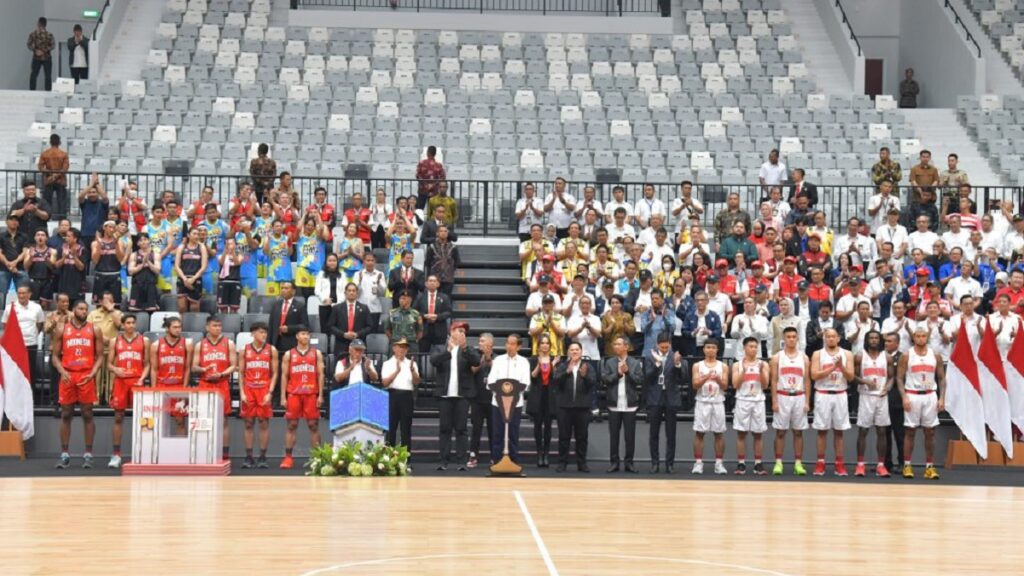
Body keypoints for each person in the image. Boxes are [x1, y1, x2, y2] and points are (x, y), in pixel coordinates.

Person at [51, 300, 103, 469]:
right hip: (68, 375)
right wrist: (62, 371)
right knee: (66, 414)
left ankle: (88, 454)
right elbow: (54, 356)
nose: (83, 311)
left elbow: (101, 356)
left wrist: (93, 372)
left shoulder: (95, 329)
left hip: (85, 375)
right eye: (80, 308)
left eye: (86, 309)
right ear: (73, 310)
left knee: (87, 414)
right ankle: (64, 454)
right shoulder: (61, 328)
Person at [897, 325, 945, 479]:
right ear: (913, 337)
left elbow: (942, 378)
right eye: (917, 336)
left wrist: (942, 397)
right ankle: (907, 465)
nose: (920, 338)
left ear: (927, 337)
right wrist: (904, 396)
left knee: (930, 432)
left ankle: (929, 467)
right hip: (912, 394)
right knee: (910, 431)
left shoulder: (935, 355)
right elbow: (899, 378)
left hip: (930, 395)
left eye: (923, 336)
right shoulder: (906, 355)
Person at [431, 321, 480, 471]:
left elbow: (476, 361)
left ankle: (461, 462)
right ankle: (443, 461)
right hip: (445, 396)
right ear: (451, 332)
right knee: (444, 429)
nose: (462, 334)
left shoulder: (468, 349)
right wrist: (448, 351)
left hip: (462, 395)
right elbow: (433, 361)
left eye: (464, 332)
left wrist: (464, 348)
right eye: (459, 331)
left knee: (461, 429)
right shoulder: (440, 347)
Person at [809, 328, 854, 476]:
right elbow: (814, 375)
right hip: (823, 394)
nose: (831, 339)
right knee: (822, 431)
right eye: (828, 336)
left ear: (838, 338)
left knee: (839, 431)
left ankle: (839, 464)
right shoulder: (817, 354)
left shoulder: (847, 354)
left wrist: (841, 366)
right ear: (824, 339)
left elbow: (851, 377)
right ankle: (820, 463)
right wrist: (833, 368)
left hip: (840, 394)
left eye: (833, 336)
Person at [106, 315, 148, 469]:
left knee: (143, 418)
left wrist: (142, 378)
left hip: (137, 380)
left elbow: (148, 364)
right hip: (121, 381)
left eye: (133, 323)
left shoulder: (144, 340)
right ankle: (116, 455)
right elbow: (109, 364)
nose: (131, 325)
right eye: (128, 323)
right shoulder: (115, 341)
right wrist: (116, 369)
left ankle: (143, 453)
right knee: (118, 417)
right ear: (122, 325)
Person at [192, 316, 237, 462]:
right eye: (214, 326)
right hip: (205, 383)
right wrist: (204, 369)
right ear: (207, 328)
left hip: (222, 383)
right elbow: (193, 366)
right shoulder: (200, 345)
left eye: (219, 325)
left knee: (223, 421)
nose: (217, 328)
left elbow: (233, 365)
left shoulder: (229, 343)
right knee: (203, 419)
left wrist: (222, 374)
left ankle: (224, 453)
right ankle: (203, 451)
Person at [279, 326, 325, 469]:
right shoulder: (289, 354)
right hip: (294, 394)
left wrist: (321, 395)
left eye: (308, 334)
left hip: (311, 393)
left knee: (313, 425)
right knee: (292, 425)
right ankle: (288, 458)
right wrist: (283, 396)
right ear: (297, 336)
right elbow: (284, 376)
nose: (306, 337)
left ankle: (317, 457)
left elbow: (320, 375)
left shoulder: (316, 353)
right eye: (303, 334)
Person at [486, 333, 531, 466]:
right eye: (507, 343)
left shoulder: (524, 362)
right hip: (498, 403)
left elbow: (525, 383)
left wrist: (512, 392)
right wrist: (501, 392)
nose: (509, 346)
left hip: (515, 403)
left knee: (513, 432)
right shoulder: (498, 360)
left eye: (512, 344)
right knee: (498, 432)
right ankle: (496, 460)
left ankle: (513, 460)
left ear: (519, 346)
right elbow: (491, 381)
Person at [771, 326, 811, 475]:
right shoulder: (777, 357)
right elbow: (774, 380)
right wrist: (774, 401)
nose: (791, 339)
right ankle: (778, 463)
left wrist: (807, 401)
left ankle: (798, 464)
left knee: (798, 432)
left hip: (799, 396)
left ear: (798, 338)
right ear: (784, 339)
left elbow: (807, 381)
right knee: (780, 432)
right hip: (783, 395)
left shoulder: (804, 357)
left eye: (794, 336)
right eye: (788, 337)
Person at [853, 330, 893, 478]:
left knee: (882, 431)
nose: (874, 340)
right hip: (865, 396)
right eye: (871, 338)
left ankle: (881, 465)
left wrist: (888, 388)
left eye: (876, 338)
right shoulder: (859, 355)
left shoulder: (886, 356)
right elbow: (853, 376)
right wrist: (864, 381)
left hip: (881, 397)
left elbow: (892, 377)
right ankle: (860, 465)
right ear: (867, 340)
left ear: (880, 340)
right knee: (863, 431)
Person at [551, 341, 595, 473]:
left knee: (582, 437)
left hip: (582, 408)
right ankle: (562, 463)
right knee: (564, 436)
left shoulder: (588, 366)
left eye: (577, 350)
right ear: (568, 352)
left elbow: (593, 383)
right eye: (572, 350)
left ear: (581, 352)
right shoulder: (563, 366)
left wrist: (584, 376)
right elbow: (556, 381)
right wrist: (566, 372)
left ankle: (582, 463)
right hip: (564, 407)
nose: (575, 352)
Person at [601, 336, 643, 473]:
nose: (615, 346)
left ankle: (629, 463)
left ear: (626, 346)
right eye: (614, 344)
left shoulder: (635, 363)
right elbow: (605, 380)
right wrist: (618, 375)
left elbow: (639, 380)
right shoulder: (609, 362)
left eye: (618, 344)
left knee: (629, 436)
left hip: (630, 405)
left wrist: (628, 372)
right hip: (614, 404)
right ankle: (614, 462)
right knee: (614, 436)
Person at [239, 322, 278, 469]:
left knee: (263, 423)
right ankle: (248, 456)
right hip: (249, 389)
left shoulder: (271, 350)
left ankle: (262, 457)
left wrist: (270, 392)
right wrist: (242, 392)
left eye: (265, 333)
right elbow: (241, 373)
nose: (264, 335)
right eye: (261, 332)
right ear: (253, 333)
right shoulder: (245, 350)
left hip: (264, 389)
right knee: (248, 423)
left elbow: (275, 373)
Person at [645, 333, 685, 474]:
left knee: (671, 434)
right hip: (655, 398)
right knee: (653, 434)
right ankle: (655, 463)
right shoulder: (650, 356)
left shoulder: (675, 356)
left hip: (670, 399)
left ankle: (670, 464)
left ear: (670, 344)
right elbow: (647, 377)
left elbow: (683, 377)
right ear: (657, 344)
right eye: (661, 347)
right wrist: (657, 364)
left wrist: (677, 364)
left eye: (666, 347)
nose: (663, 349)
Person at [733, 337, 770, 476]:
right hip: (743, 400)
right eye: (750, 346)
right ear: (744, 348)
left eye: (755, 346)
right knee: (741, 433)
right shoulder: (737, 365)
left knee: (758, 434)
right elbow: (735, 384)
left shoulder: (763, 364)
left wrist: (760, 371)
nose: (753, 349)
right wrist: (744, 371)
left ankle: (758, 464)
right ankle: (741, 463)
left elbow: (766, 385)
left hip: (758, 400)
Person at [381, 338, 420, 449]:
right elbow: (385, 383)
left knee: (406, 429)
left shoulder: (412, 363)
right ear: (394, 348)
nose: (402, 350)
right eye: (400, 346)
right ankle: (389, 458)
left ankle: (406, 460)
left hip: (407, 396)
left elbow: (416, 382)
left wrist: (412, 371)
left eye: (405, 347)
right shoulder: (387, 363)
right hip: (392, 396)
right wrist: (397, 371)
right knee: (391, 428)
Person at [526, 334, 558, 468]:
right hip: (537, 395)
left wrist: (553, 364)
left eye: (547, 343)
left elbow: (556, 377)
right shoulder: (533, 359)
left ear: (550, 346)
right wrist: (540, 364)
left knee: (548, 427)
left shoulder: (555, 359)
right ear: (538, 346)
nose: (545, 345)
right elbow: (532, 376)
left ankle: (547, 453)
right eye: (542, 343)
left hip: (549, 395)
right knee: (538, 426)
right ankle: (539, 453)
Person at [467, 333, 495, 468]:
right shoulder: (475, 356)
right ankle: (473, 456)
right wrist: (483, 359)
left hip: (492, 399)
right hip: (477, 399)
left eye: (483, 341)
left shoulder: (498, 358)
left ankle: (494, 456)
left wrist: (489, 359)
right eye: (479, 341)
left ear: (490, 344)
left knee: (492, 429)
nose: (480, 343)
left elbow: (498, 371)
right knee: (476, 429)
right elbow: (472, 370)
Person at [174, 227, 208, 313]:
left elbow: (204, 266)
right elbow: (177, 266)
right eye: (194, 234)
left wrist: (193, 279)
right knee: (182, 307)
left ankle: (195, 326)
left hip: (196, 279)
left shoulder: (202, 247)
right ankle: (182, 325)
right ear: (188, 235)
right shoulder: (182, 247)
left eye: (198, 234)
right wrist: (185, 279)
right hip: (183, 279)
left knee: (194, 307)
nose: (197, 236)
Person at [269, 281, 309, 353]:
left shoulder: (300, 306)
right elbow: (271, 325)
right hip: (276, 342)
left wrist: (289, 328)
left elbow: (305, 326)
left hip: (292, 342)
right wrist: (268, 344)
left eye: (286, 288)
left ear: (293, 291)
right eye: (282, 288)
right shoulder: (276, 305)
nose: (283, 290)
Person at [414, 275, 451, 351]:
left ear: (438, 284)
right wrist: (424, 316)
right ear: (426, 284)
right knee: (423, 355)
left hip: (439, 330)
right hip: (424, 331)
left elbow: (448, 312)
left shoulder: (444, 297)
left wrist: (437, 316)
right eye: (430, 281)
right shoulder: (420, 297)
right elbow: (414, 311)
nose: (432, 283)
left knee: (439, 355)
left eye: (434, 281)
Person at [91, 220, 123, 304]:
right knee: (99, 303)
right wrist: (99, 245)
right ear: (104, 228)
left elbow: (121, 259)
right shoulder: (95, 243)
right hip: (100, 274)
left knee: (115, 304)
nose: (112, 230)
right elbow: (95, 260)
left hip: (114, 275)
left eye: (113, 227)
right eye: (110, 227)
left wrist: (116, 244)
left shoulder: (119, 242)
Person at [38, 134, 69, 219]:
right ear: (59, 142)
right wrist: (56, 175)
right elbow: (65, 168)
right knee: (61, 201)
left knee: (47, 201)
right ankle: (62, 219)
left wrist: (51, 175)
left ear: (50, 142)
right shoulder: (63, 154)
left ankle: (47, 217)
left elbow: (40, 167)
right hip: (61, 181)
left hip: (49, 180)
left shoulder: (45, 153)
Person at [424, 224, 460, 296]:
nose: (443, 233)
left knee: (446, 299)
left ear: (448, 233)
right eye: (441, 231)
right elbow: (427, 263)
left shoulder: (453, 247)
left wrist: (450, 269)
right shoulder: (432, 247)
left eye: (445, 231)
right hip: (435, 278)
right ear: (437, 233)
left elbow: (457, 262)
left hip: (448, 279)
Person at [128, 234, 160, 312]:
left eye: (145, 239)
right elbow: (130, 271)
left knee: (151, 310)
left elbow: (157, 271)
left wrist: (148, 262)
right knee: (134, 309)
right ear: (137, 243)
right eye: (141, 240)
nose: (143, 242)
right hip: (137, 285)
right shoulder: (134, 255)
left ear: (149, 241)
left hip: (150, 285)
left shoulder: (155, 254)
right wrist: (142, 264)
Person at [23, 229, 54, 304]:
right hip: (33, 280)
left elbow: (53, 267)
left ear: (47, 238)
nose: (40, 237)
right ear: (35, 238)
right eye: (38, 235)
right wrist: (31, 257)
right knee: (32, 304)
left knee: (45, 305)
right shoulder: (29, 251)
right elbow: (25, 267)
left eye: (43, 235)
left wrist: (47, 259)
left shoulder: (52, 251)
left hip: (47, 281)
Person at [0, 215, 28, 294]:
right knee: (1, 295)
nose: (14, 222)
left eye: (16, 220)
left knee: (23, 294)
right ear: (6, 222)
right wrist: (8, 264)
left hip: (20, 269)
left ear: (18, 223)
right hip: (3, 269)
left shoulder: (24, 236)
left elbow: (25, 252)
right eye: (11, 220)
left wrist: (15, 262)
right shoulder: (1, 236)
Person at [415, 145, 446, 210]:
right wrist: (433, 185)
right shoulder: (439, 165)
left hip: (422, 190)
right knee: (433, 210)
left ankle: (419, 220)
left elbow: (418, 175)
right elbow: (443, 177)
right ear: (435, 154)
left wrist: (426, 185)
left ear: (427, 152)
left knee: (419, 210)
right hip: (434, 191)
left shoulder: (422, 163)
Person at [27, 17, 54, 91]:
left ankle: (32, 91)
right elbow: (52, 45)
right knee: (47, 76)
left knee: (34, 75)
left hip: (39, 57)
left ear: (38, 23)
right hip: (45, 58)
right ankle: (48, 92)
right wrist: (43, 51)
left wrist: (36, 51)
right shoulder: (49, 35)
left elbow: (29, 44)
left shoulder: (33, 34)